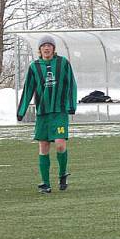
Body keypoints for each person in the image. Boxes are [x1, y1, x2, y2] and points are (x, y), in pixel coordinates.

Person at [16, 35, 77, 194]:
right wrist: (21, 111)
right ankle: (45, 183)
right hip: (43, 114)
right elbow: (28, 89)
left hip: (59, 112)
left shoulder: (63, 63)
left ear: (54, 48)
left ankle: (62, 174)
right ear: (40, 49)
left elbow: (71, 84)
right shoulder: (34, 67)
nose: (47, 48)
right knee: (43, 146)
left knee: (60, 144)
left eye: (50, 45)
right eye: (44, 46)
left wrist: (71, 105)